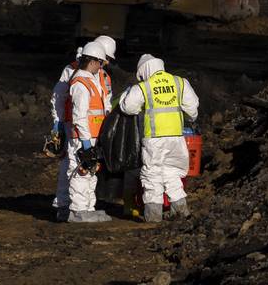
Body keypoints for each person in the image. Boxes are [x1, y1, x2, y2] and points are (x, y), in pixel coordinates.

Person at [118, 54, 200, 222]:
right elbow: (192, 109)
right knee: (172, 174)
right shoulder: (179, 82)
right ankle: (182, 211)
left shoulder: (144, 86)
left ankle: (153, 218)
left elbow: (128, 107)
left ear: (144, 71)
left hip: (154, 139)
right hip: (177, 138)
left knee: (152, 176)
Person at [50, 36, 116, 220]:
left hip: (93, 132)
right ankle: (70, 207)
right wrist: (59, 123)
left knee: (89, 170)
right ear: (95, 57)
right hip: (79, 131)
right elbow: (62, 100)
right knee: (76, 169)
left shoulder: (99, 77)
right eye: (103, 60)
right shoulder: (76, 75)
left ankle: (86, 207)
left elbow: (103, 103)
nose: (105, 64)